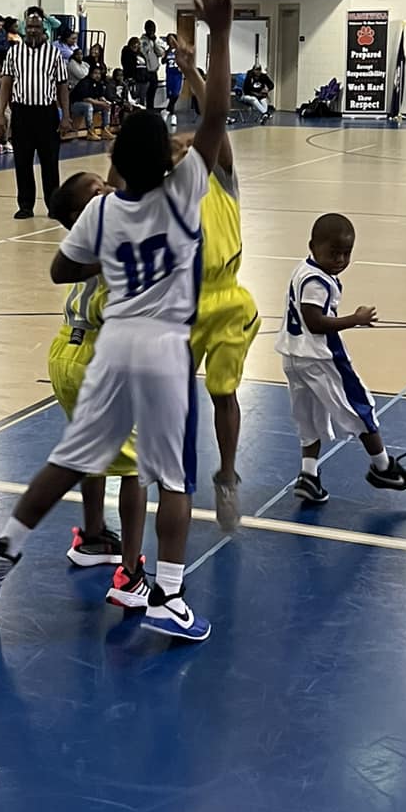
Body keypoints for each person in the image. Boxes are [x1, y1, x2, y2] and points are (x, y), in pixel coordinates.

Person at [0, 0, 233, 642]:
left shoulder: (103, 210)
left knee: (71, 459)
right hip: (164, 349)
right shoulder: (182, 193)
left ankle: (2, 549)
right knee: (171, 477)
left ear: (113, 159)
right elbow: (216, 118)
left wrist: (102, 260)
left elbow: (61, 269)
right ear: (171, 163)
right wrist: (218, 36)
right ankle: (168, 595)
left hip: (112, 345)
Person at [45, 170, 150, 592]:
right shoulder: (120, 237)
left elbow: (122, 186)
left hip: (66, 354)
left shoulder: (86, 241)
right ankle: (131, 574)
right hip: (101, 361)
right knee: (136, 467)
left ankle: (92, 537)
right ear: (80, 211)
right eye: (97, 190)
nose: (108, 190)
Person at [174, 37, 262, 532]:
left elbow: (215, 120)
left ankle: (226, 475)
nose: (191, 144)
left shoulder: (222, 179)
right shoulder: (168, 195)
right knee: (176, 398)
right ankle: (172, 473)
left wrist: (192, 72)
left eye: (194, 141)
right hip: (181, 309)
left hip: (227, 302)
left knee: (223, 393)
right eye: (180, 145)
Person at [276, 213, 406, 507]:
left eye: (346, 253)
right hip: (320, 357)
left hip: (292, 356)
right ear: (312, 246)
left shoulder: (303, 270)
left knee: (310, 418)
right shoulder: (317, 281)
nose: (340, 259)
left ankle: (309, 475)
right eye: (333, 252)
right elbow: (315, 322)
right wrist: (355, 318)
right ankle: (383, 468)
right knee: (360, 407)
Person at [0, 8, 71, 219]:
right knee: (22, 161)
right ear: (23, 29)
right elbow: (6, 84)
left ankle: (53, 205)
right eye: (29, 27)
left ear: (43, 30)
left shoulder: (54, 54)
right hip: (22, 112)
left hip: (46, 113)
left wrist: (65, 115)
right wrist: (0, 113)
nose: (32, 30)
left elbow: (63, 86)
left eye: (36, 27)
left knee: (50, 162)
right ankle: (26, 205)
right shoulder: (14, 53)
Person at [138, 21, 164, 111]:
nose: (152, 31)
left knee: (152, 93)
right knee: (144, 93)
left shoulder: (155, 41)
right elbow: (144, 53)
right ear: (146, 29)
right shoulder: (142, 41)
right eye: (150, 29)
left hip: (154, 71)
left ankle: (151, 109)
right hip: (146, 71)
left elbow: (161, 53)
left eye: (153, 29)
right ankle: (144, 111)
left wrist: (154, 42)